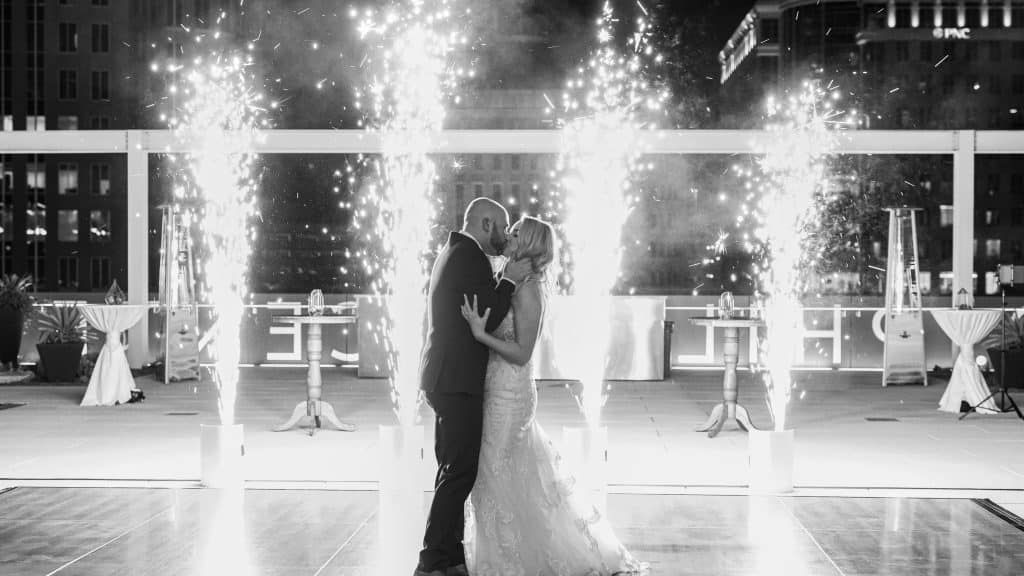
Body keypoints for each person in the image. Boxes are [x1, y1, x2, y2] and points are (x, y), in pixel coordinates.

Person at [459, 216, 646, 576]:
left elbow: (521, 352)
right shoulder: (513, 282)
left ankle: (508, 563)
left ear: (527, 244)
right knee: (499, 476)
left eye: (514, 234)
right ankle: (499, 558)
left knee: (498, 474)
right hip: (496, 389)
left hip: (511, 395)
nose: (507, 237)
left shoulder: (529, 290)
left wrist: (480, 334)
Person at [415, 198, 532, 576]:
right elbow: (489, 317)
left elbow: (478, 305)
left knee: (451, 468)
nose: (505, 235)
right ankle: (431, 559)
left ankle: (448, 556)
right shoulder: (469, 257)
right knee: (460, 471)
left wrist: (501, 279)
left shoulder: (456, 250)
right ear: (486, 223)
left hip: (444, 376)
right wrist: (511, 279)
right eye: (503, 226)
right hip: (456, 380)